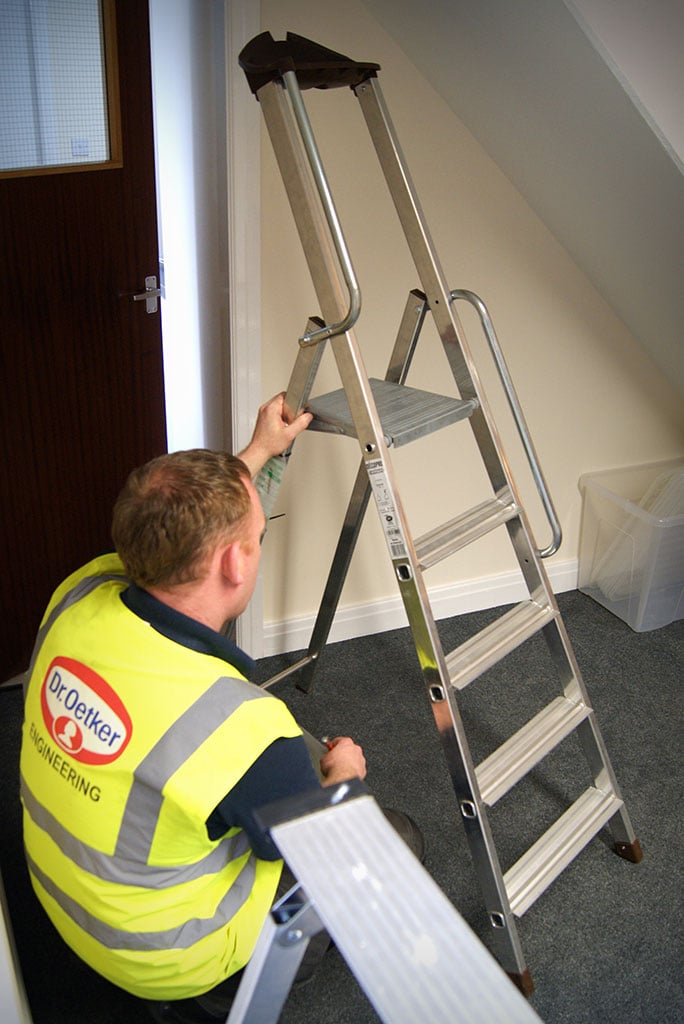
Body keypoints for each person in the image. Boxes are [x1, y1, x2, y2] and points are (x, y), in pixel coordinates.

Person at [19, 393, 423, 1024]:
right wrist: (347, 778)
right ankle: (219, 994)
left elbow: (182, 522)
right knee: (391, 836)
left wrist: (260, 451)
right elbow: (333, 848)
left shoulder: (80, 593)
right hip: (164, 959)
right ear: (236, 562)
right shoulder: (244, 730)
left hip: (59, 896)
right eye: (259, 537)